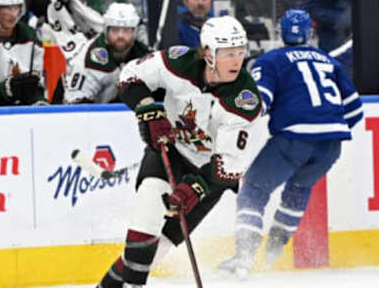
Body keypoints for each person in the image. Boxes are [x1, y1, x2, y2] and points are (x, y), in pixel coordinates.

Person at [95, 15, 262, 288]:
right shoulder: (178, 62)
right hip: (169, 153)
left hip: (209, 177)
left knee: (153, 252)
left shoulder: (243, 99)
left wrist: (195, 187)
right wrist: (148, 108)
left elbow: (228, 166)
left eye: (240, 53)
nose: (236, 61)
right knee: (144, 225)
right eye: (228, 54)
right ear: (208, 53)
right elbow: (129, 76)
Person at [218, 9, 363, 277]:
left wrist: (231, 119)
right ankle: (275, 246)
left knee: (253, 190)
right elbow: (355, 110)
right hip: (332, 144)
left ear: (279, 33)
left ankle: (244, 257)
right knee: (299, 186)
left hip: (294, 138)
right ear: (311, 33)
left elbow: (260, 101)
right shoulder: (328, 61)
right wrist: (325, 129)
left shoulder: (271, 60)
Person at [63, 2, 150, 104]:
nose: (120, 36)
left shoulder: (145, 55)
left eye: (126, 30)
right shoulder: (90, 58)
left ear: (134, 32)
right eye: (115, 30)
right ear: (106, 30)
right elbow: (75, 105)